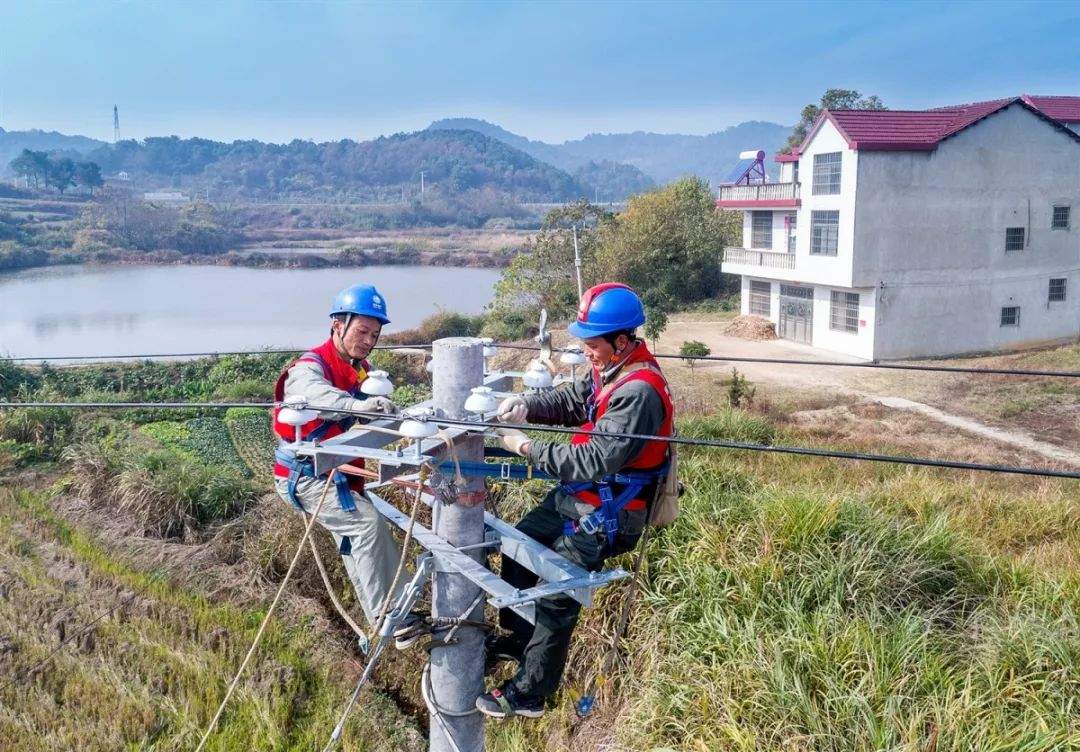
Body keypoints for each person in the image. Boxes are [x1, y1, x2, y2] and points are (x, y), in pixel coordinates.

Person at [475, 283, 675, 719]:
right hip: (583, 499)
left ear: (621, 341)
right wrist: (527, 406)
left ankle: (531, 692)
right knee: (519, 548)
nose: (586, 352)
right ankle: (519, 640)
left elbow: (591, 458)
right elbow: (573, 399)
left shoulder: (638, 391)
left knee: (557, 593)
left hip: (609, 512)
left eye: (592, 344)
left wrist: (526, 447)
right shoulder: (613, 369)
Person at [271, 283, 420, 648]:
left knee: (356, 541)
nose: (368, 340)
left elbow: (367, 399)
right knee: (367, 526)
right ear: (338, 324)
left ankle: (385, 621)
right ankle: (392, 618)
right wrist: (357, 407)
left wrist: (390, 413)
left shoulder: (359, 370)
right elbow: (314, 395)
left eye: (374, 334)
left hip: (338, 475)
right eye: (362, 331)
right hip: (306, 477)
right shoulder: (310, 367)